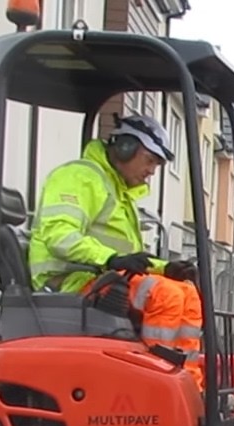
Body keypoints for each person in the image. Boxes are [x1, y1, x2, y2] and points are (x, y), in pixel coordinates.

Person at [27, 114, 204, 391]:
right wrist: (109, 259)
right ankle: (157, 387)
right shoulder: (80, 178)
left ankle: (190, 386)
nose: (151, 171)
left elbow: (130, 257)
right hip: (69, 280)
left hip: (103, 277)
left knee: (187, 292)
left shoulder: (117, 191)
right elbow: (59, 235)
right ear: (125, 148)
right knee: (164, 295)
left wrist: (166, 268)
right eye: (149, 160)